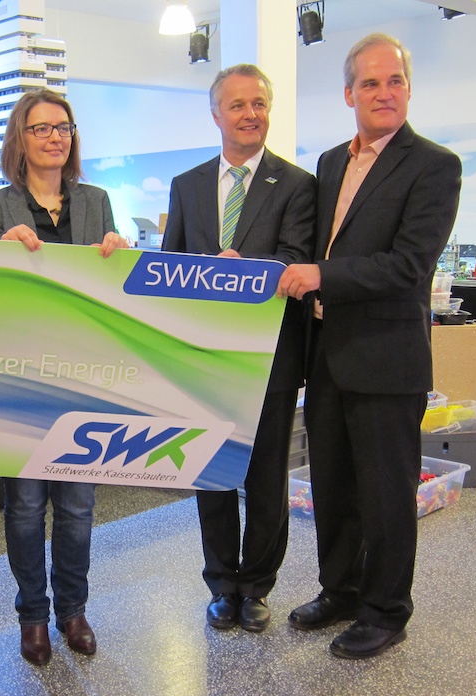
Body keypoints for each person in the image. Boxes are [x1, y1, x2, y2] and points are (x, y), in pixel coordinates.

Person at [277, 33, 461, 659]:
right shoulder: (332, 163)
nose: (385, 93)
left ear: (408, 89)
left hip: (386, 358)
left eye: (396, 81)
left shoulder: (434, 165)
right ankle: (342, 590)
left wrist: (322, 276)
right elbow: (312, 247)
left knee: (385, 495)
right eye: (371, 83)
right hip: (327, 353)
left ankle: (385, 610)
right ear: (349, 93)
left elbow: (409, 265)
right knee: (332, 485)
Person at [161, 64, 315, 633]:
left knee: (267, 476)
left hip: (270, 356)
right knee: (212, 472)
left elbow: (296, 258)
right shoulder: (187, 185)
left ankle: (257, 587)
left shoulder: (296, 185)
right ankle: (222, 585)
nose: (250, 114)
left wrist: (244, 270)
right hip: (203, 357)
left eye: (259, 104)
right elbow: (170, 266)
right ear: (216, 114)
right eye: (237, 105)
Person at [0, 89, 127, 665]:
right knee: (24, 508)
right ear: (21, 138)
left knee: (79, 508)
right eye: (41, 128)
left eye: (63, 127)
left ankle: (73, 610)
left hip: (85, 375)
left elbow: (113, 289)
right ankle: (33, 616)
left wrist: (119, 253)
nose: (55, 137)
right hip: (20, 379)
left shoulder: (96, 201)